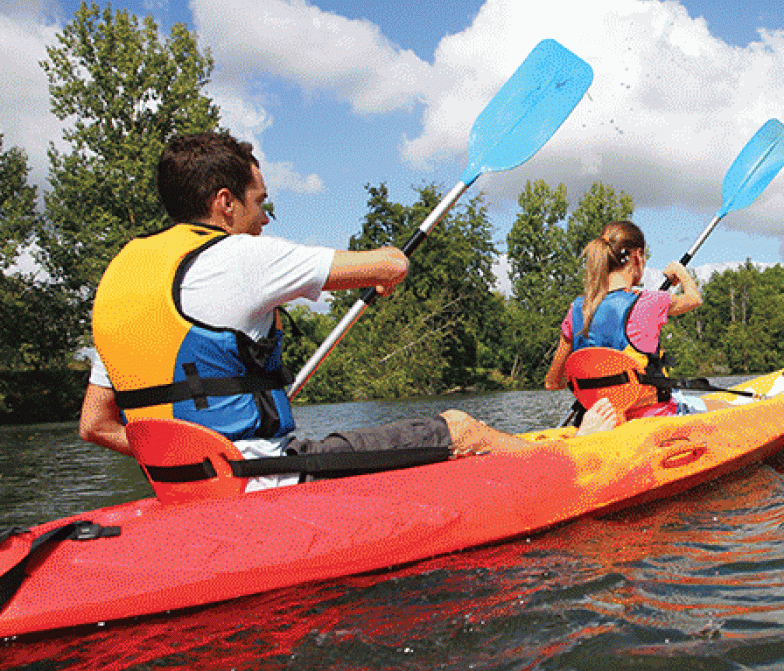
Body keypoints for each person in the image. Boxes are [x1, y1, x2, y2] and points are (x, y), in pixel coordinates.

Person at [80, 131, 615, 490]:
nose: (265, 216)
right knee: (459, 427)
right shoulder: (239, 255)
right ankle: (576, 461)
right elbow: (390, 266)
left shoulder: (121, 280)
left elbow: (96, 425)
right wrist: (382, 272)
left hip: (188, 491)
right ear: (225, 203)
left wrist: (196, 464)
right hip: (264, 479)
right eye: (260, 201)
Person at [544, 219, 717, 419]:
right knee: (724, 405)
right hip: (653, 418)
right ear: (638, 256)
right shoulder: (650, 301)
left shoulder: (576, 309)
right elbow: (694, 298)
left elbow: (553, 382)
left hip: (602, 422)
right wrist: (680, 272)